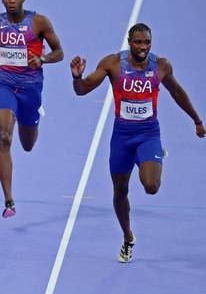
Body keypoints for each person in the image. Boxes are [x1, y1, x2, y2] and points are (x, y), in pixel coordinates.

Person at [70, 23, 205, 262]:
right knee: (120, 191)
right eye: (138, 42)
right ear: (129, 42)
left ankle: (153, 154)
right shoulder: (112, 63)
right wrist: (77, 77)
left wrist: (196, 119)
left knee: (151, 186)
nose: (143, 47)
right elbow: (83, 90)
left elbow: (177, 92)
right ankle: (128, 237)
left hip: (148, 134)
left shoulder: (161, 65)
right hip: (122, 138)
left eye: (147, 42)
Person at [0, 0, 64, 218]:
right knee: (3, 137)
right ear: (2, 0)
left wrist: (42, 60)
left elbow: (59, 52)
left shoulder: (39, 22)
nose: (11, 0)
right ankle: (9, 200)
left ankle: (32, 121)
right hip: (5, 85)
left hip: (31, 90)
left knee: (27, 144)